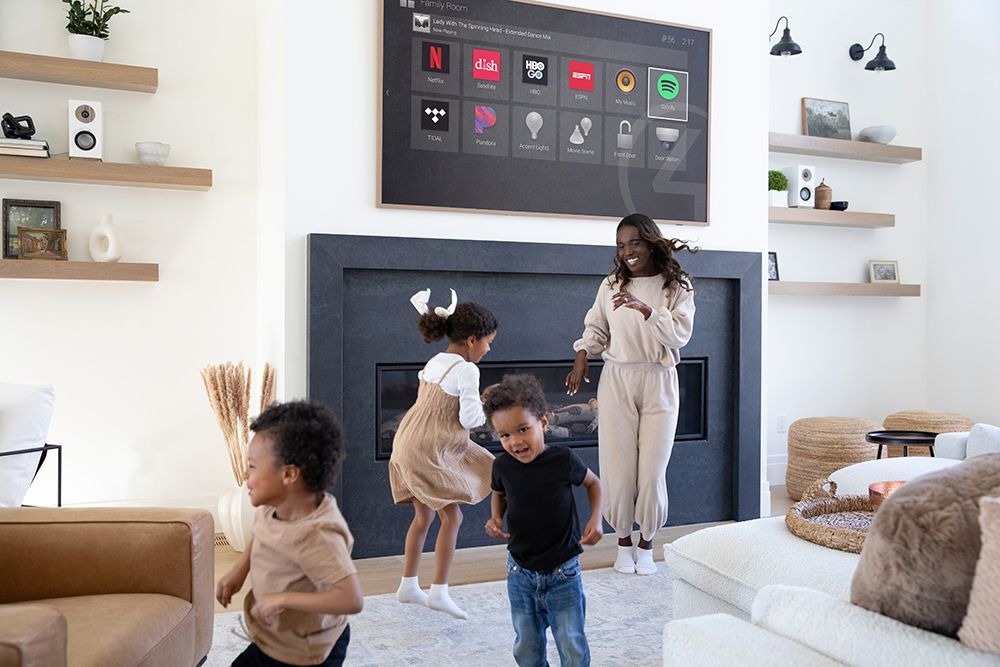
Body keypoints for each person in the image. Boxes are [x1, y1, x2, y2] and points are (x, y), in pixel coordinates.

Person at [566, 212, 696, 576]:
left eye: (634, 243)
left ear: (651, 241)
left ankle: (647, 543)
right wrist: (581, 356)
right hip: (618, 380)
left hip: (659, 380)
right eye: (621, 246)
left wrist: (647, 310)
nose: (627, 252)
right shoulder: (610, 285)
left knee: (652, 471)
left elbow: (679, 336)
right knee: (618, 468)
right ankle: (622, 540)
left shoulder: (677, 286)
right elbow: (595, 326)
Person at [216, 400, 364, 667]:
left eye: (252, 466)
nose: (245, 475)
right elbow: (261, 534)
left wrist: (281, 599)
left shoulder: (316, 534)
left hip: (306, 651)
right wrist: (240, 569)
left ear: (288, 474)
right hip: (274, 636)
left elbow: (351, 599)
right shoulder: (273, 506)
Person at [389, 288, 498, 620]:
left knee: (423, 517)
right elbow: (467, 420)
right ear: (470, 340)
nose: (489, 348)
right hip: (430, 448)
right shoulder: (467, 370)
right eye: (487, 342)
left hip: (406, 441)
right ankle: (439, 591)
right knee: (453, 516)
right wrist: (487, 407)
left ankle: (408, 585)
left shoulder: (436, 360)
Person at [483, 373, 603, 667]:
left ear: (544, 423)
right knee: (526, 646)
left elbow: (594, 484)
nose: (515, 442)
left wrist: (596, 519)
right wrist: (495, 517)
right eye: (505, 435)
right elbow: (498, 492)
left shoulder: (563, 460)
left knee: (571, 643)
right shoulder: (502, 465)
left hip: (563, 571)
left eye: (523, 429)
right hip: (520, 572)